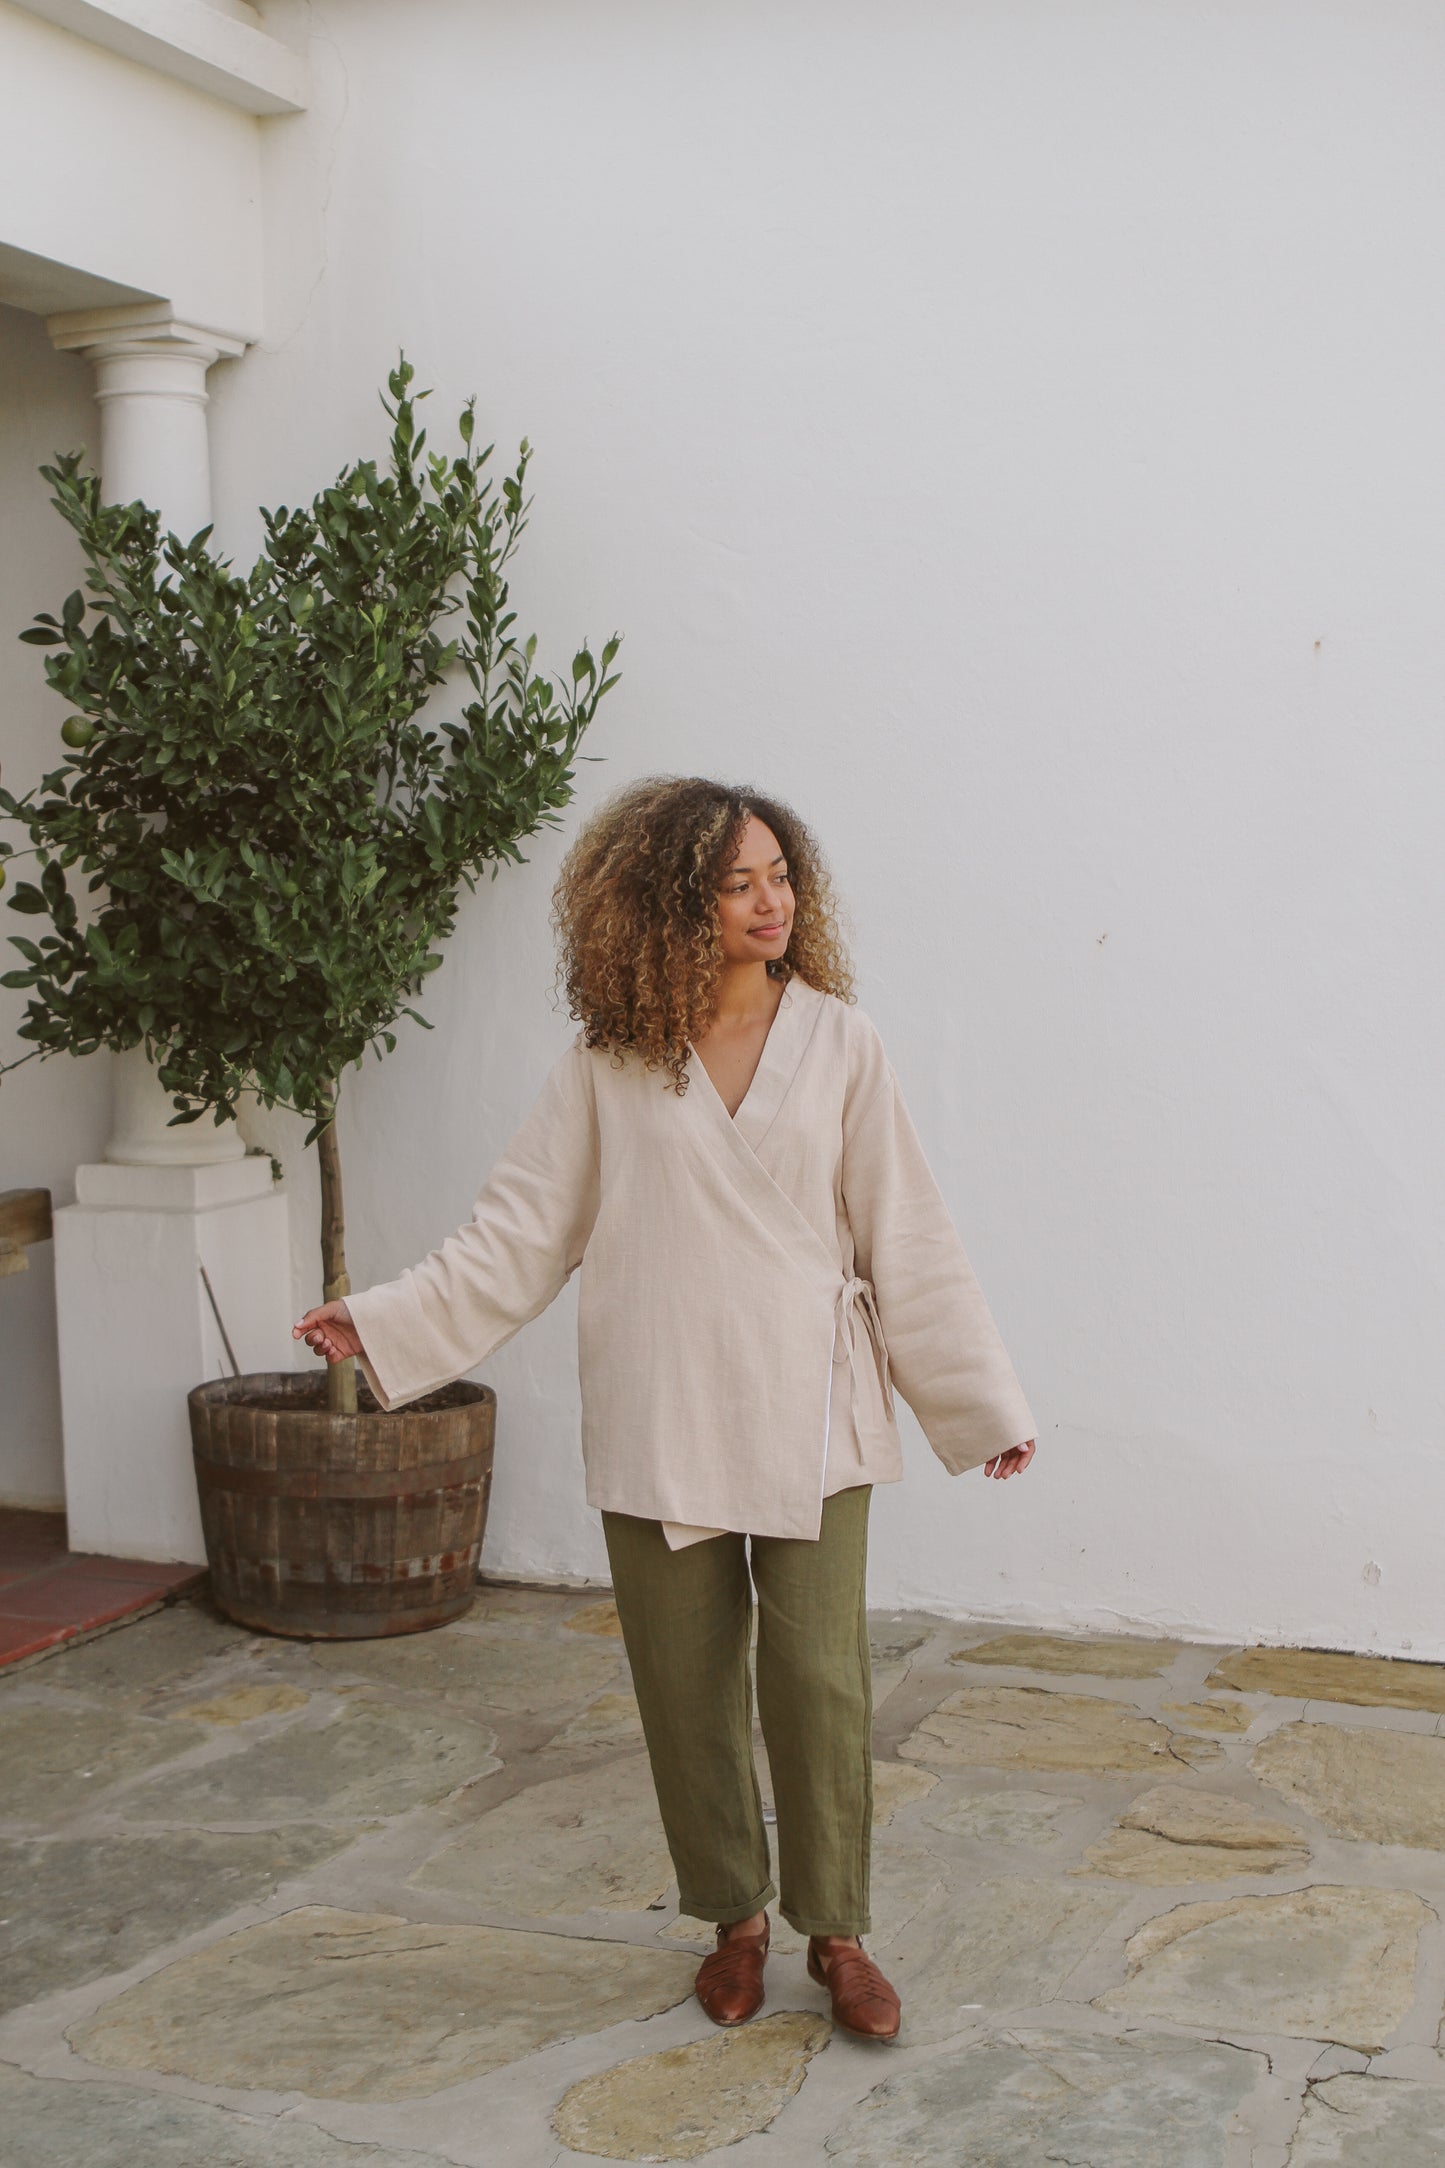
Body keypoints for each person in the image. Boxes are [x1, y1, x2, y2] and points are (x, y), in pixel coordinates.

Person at [294, 775, 1037, 2042]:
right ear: (670, 905)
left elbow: (906, 1230)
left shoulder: (840, 1042)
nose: (770, 902)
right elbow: (520, 1229)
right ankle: (733, 1919)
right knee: (682, 1680)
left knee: (817, 1677)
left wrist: (975, 1402)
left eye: (780, 876)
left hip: (811, 1404)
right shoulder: (610, 1061)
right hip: (659, 1404)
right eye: (737, 881)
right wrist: (387, 1320)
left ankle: (836, 1931)